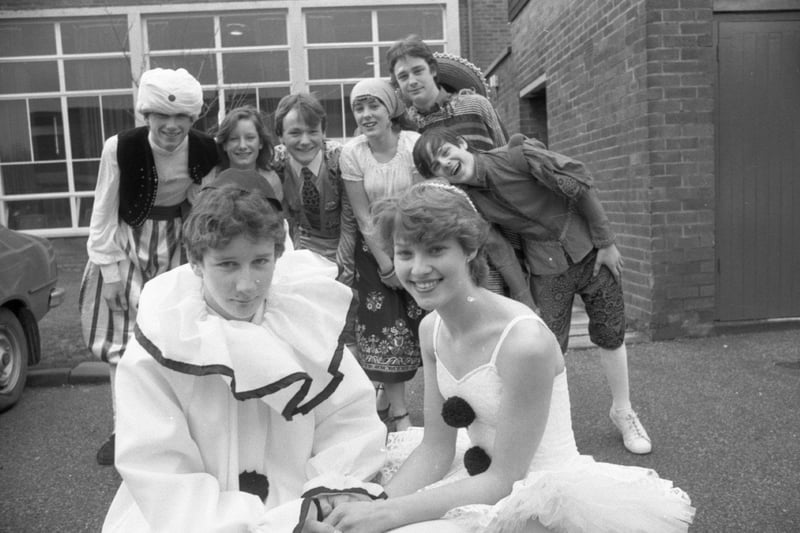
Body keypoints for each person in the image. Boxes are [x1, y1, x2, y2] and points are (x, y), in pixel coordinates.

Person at [322, 182, 695, 533]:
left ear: (469, 250)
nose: (417, 269)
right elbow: (436, 448)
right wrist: (376, 504)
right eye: (405, 253)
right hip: (479, 481)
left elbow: (507, 478)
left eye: (436, 250)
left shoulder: (523, 342)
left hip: (537, 497)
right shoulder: (430, 329)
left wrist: (387, 514)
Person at [102, 183, 387, 533]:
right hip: (189, 521)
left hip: (302, 503)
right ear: (195, 262)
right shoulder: (164, 339)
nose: (247, 285)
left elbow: (347, 417)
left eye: (260, 262)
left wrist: (327, 491)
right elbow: (159, 468)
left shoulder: (299, 321)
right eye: (227, 265)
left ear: (276, 256)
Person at [412, 127, 653, 455]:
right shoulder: (470, 204)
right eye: (436, 166)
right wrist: (525, 300)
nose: (445, 163)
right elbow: (499, 250)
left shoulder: (519, 156)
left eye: (445, 152)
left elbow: (579, 187)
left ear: (462, 144)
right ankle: (553, 431)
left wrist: (606, 242)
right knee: (549, 348)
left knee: (611, 332)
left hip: (592, 254)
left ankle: (623, 411)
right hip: (546, 268)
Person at [78, 67, 218, 466]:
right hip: (128, 244)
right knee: (122, 342)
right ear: (147, 116)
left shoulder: (206, 150)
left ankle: (175, 429)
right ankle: (125, 429)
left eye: (181, 118)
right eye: (162, 116)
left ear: (192, 120)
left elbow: (203, 205)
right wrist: (110, 272)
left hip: (177, 244)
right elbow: (103, 211)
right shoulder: (119, 147)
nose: (171, 126)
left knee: (175, 336)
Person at [386, 35, 532, 308]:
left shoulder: (474, 105)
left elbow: (503, 155)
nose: (412, 80)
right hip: (451, 228)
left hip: (501, 213)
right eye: (403, 76)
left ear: (432, 70)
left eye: (418, 71)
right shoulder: (408, 128)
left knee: (512, 296)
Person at [339, 79, 425, 432]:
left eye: (373, 105)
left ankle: (429, 405)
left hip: (416, 241)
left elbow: (423, 201)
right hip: (375, 252)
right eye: (358, 108)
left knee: (422, 324)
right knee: (387, 328)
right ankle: (400, 414)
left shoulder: (412, 145)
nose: (365, 114)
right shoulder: (353, 152)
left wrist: (409, 256)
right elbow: (362, 215)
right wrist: (387, 264)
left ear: (391, 109)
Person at [272, 93, 356, 285]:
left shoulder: (340, 160)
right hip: (302, 246)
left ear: (324, 132)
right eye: (294, 133)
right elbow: (287, 222)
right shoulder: (276, 165)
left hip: (344, 246)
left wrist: (344, 269)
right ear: (280, 136)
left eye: (312, 131)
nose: (305, 141)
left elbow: (349, 221)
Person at [211, 105, 283, 202]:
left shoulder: (271, 180)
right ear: (224, 144)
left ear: (260, 143)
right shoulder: (212, 180)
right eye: (234, 139)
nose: (242, 146)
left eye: (250, 138)